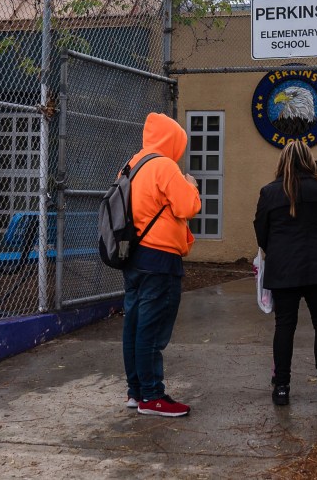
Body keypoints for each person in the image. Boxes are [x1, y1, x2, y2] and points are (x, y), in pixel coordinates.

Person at [254, 140, 317, 406]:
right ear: (309, 160)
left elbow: (262, 233)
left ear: (282, 160)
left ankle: (281, 387)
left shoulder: (269, 192)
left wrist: (279, 249)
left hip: (283, 268)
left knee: (284, 326)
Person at [121, 112, 202, 417]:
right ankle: (153, 396)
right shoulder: (164, 166)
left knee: (134, 325)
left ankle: (136, 391)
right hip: (160, 259)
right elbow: (188, 206)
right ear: (172, 141)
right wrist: (191, 185)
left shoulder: (131, 165)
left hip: (135, 256)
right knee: (152, 330)